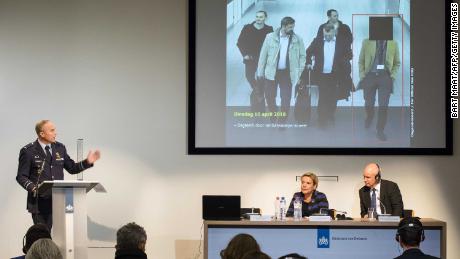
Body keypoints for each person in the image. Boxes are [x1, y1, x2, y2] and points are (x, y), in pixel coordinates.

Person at [16, 120, 101, 230]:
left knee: (61, 234)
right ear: (42, 134)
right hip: (39, 203)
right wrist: (33, 188)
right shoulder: (28, 151)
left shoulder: (60, 148)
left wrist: (87, 162)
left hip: (59, 201)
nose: (55, 133)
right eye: (52, 130)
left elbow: (72, 168)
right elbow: (21, 176)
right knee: (43, 235)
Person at [300, 23, 352, 128]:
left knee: (333, 96)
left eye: (329, 35)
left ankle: (330, 114)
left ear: (334, 32)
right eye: (325, 35)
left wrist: (343, 61)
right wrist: (308, 62)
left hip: (335, 74)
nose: (327, 37)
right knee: (323, 96)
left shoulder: (341, 42)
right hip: (321, 74)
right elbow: (308, 52)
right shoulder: (317, 41)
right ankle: (322, 120)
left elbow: (349, 54)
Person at [257, 16, 306, 124]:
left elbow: (303, 56)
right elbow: (262, 56)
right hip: (271, 73)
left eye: (293, 27)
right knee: (269, 97)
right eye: (290, 27)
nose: (292, 29)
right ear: (283, 26)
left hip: (287, 74)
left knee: (286, 98)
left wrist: (299, 71)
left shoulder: (297, 39)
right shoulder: (269, 37)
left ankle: (282, 120)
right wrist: (260, 73)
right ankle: (274, 114)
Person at [358, 23, 400, 141]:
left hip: (385, 77)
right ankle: (369, 116)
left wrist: (392, 76)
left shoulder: (393, 43)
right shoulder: (366, 42)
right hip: (370, 76)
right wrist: (362, 75)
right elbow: (361, 61)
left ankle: (380, 130)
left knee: (383, 106)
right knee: (369, 103)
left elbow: (397, 62)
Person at [237, 11, 274, 112]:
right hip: (250, 57)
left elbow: (272, 44)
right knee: (249, 75)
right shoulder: (247, 28)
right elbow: (240, 42)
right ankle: (256, 88)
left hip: (263, 57)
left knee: (262, 76)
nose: (258, 19)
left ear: (265, 18)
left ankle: (259, 92)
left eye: (261, 17)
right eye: (257, 17)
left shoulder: (269, 29)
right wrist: (245, 54)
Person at [315, 9, 353, 102]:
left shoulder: (345, 27)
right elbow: (318, 41)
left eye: (337, 15)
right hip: (326, 60)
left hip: (340, 60)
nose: (336, 17)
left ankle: (332, 109)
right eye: (334, 16)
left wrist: (345, 53)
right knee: (324, 90)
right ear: (329, 17)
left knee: (337, 87)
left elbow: (350, 40)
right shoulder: (322, 27)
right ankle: (324, 113)